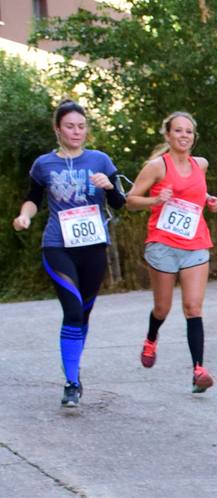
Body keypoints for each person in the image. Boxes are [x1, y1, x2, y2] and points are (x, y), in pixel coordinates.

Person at [12, 99, 126, 409]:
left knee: (84, 313)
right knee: (73, 310)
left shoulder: (100, 160)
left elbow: (119, 202)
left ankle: (72, 365)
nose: (76, 132)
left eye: (81, 126)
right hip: (57, 246)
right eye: (69, 126)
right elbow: (33, 198)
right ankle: (72, 383)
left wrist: (109, 187)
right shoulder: (43, 164)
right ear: (57, 129)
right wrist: (25, 216)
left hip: (93, 248)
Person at [126, 111, 217, 393]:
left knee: (193, 308)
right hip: (163, 245)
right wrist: (156, 199)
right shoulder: (157, 166)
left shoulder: (200, 164)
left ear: (194, 137)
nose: (183, 136)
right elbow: (130, 201)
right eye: (178, 131)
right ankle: (151, 338)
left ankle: (198, 370)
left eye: (188, 132)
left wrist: (209, 200)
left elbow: (196, 193)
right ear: (168, 135)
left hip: (195, 243)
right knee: (162, 308)